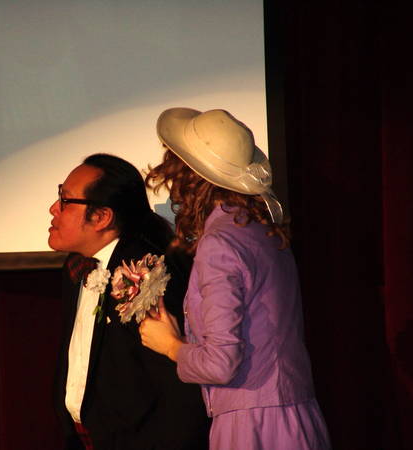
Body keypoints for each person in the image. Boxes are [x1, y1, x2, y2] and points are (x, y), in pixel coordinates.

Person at [139, 108, 332, 449]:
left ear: (188, 177)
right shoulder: (262, 230)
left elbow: (220, 364)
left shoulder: (221, 243)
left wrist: (170, 345)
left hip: (254, 425)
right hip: (294, 415)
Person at [48, 153, 209, 450]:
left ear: (102, 217)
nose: (54, 209)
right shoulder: (77, 268)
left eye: (65, 200)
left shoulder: (144, 272)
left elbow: (176, 388)